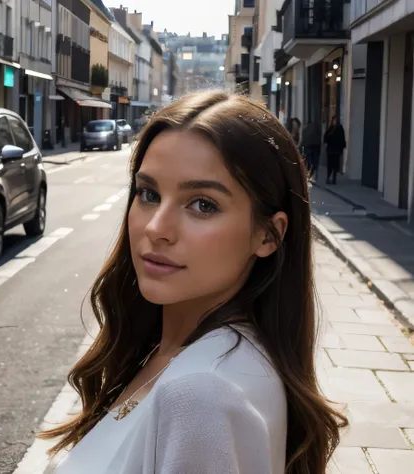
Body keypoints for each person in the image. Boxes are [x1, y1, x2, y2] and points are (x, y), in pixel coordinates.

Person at [43, 92, 347, 474]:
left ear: (268, 235)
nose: (156, 228)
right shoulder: (189, 354)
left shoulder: (202, 394)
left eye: (203, 204)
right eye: (149, 194)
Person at [324, 116, 346, 185]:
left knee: (335, 165)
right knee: (330, 165)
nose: (334, 122)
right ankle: (328, 178)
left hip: (336, 150)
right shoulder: (330, 128)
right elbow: (325, 137)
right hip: (330, 150)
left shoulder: (340, 128)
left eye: (335, 120)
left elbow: (342, 139)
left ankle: (334, 179)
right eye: (333, 120)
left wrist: (342, 148)